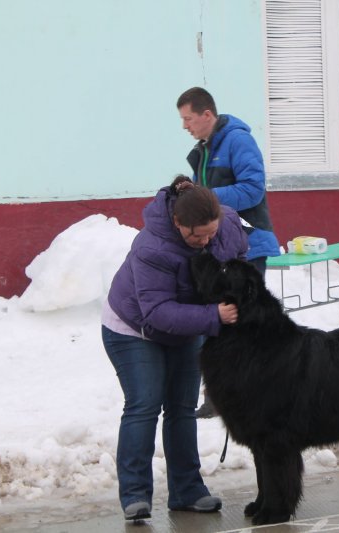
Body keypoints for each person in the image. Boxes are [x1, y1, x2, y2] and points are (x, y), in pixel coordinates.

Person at [101, 175, 248, 521]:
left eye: (210, 233)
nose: (205, 241)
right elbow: (157, 313)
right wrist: (214, 316)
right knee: (144, 404)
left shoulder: (223, 224)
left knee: (182, 408)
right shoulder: (151, 247)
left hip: (190, 323)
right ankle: (135, 495)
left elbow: (243, 257)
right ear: (177, 222)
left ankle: (188, 491)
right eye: (196, 236)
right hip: (134, 328)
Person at [176, 86, 280, 418]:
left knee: (246, 324)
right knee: (218, 318)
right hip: (221, 246)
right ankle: (220, 394)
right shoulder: (204, 150)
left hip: (249, 246)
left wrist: (205, 197)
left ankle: (256, 391)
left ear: (208, 115)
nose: (185, 126)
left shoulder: (238, 141)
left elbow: (252, 190)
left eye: (188, 119)